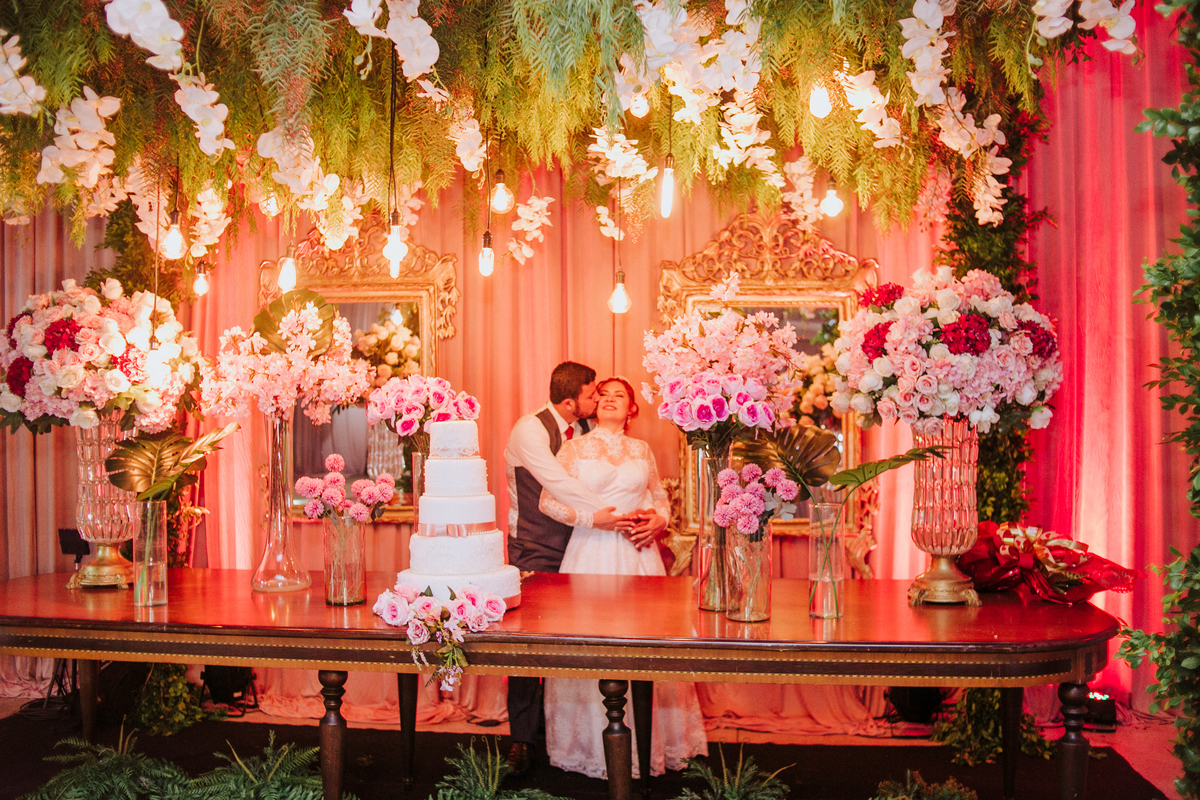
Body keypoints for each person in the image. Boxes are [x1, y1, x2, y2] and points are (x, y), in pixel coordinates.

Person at [538, 376, 708, 779]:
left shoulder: (641, 449)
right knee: (592, 641)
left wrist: (659, 522)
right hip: (590, 554)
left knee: (647, 645)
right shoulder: (574, 448)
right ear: (594, 406)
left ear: (632, 409)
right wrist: (593, 520)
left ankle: (653, 744)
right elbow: (548, 501)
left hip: (639, 557)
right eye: (603, 395)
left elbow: (660, 498)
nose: (610, 399)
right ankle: (589, 749)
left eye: (620, 395)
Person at [503, 361, 628, 776]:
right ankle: (522, 740)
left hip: (582, 548)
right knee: (526, 648)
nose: (598, 400)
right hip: (534, 548)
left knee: (582, 643)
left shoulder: (588, 430)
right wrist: (611, 516)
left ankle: (571, 734)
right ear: (571, 401)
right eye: (592, 394)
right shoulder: (530, 430)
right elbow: (559, 483)